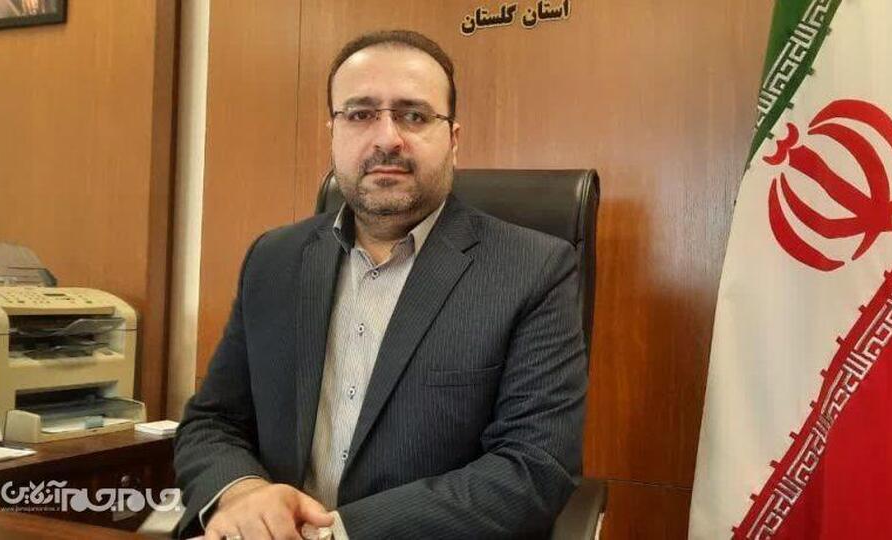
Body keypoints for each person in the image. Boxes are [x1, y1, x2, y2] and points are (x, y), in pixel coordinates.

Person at [174, 30, 587, 539]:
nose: (387, 138)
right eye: (361, 114)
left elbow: (533, 469)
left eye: (414, 115)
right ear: (332, 132)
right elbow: (212, 421)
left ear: (454, 139)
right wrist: (243, 494)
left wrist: (337, 532)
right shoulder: (273, 259)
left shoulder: (533, 268)